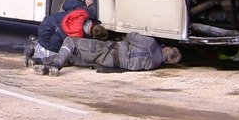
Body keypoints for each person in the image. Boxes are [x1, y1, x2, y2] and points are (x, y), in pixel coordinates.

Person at [24, 0, 107, 72]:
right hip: (50, 39)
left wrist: (83, 3)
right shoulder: (79, 38)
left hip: (46, 22)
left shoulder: (82, 11)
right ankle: (35, 46)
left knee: (55, 43)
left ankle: (35, 44)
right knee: (65, 54)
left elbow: (66, 4)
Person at [46, 32, 182, 75]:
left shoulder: (151, 43)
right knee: (75, 56)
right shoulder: (154, 65)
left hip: (108, 49)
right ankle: (41, 62)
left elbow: (130, 36)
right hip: (110, 64)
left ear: (166, 49)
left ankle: (56, 66)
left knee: (71, 42)